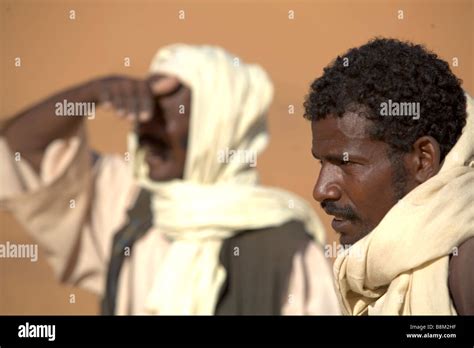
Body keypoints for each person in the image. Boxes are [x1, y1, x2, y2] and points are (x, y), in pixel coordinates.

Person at [0, 44, 340, 315]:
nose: (147, 127)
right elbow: (18, 152)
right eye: (146, 112)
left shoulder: (287, 252)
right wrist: (93, 92)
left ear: (218, 130)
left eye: (167, 114)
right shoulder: (132, 206)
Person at [303, 38, 473, 315]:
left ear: (422, 160)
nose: (321, 190)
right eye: (321, 163)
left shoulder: (464, 269)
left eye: (346, 163)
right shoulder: (367, 278)